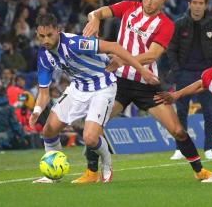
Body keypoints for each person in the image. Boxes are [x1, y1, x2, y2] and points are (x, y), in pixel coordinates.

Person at [76, 0, 212, 183]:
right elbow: (97, 12)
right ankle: (92, 172)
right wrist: (95, 17)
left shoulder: (166, 25)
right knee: (94, 126)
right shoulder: (128, 7)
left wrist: (121, 60)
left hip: (146, 85)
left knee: (177, 130)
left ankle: (199, 170)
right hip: (118, 83)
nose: (148, 1)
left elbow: (151, 55)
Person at [30, 13, 159, 183]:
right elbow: (44, 92)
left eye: (49, 35)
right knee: (49, 130)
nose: (46, 40)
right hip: (78, 88)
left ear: (58, 31)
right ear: (36, 35)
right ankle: (52, 174)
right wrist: (37, 111)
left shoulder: (75, 43)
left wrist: (142, 71)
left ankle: (107, 162)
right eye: (41, 36)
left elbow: (115, 47)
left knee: (90, 138)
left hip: (102, 86)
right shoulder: (44, 56)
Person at [167, 0, 212, 160]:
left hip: (206, 75)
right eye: (195, 2)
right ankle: (180, 148)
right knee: (181, 112)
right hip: (184, 74)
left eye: (201, 3)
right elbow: (171, 50)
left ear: (205, 6)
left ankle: (209, 147)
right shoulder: (179, 25)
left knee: (209, 111)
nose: (198, 6)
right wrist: (177, 72)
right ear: (189, 4)